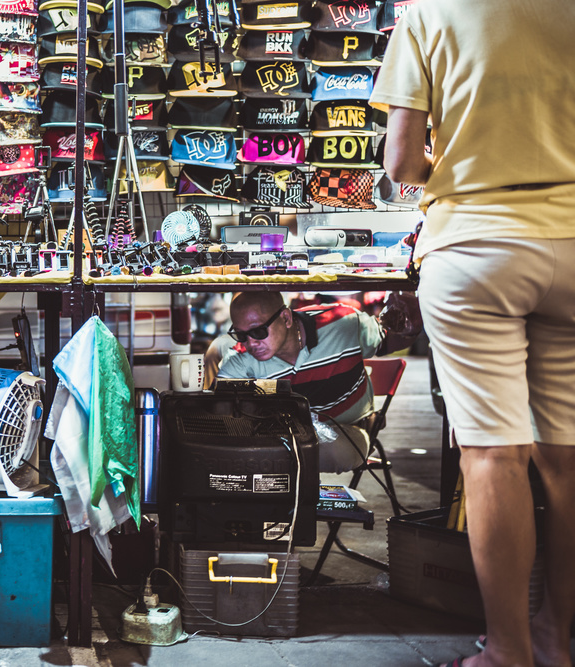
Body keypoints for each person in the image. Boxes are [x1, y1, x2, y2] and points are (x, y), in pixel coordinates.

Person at [371, 2, 575, 666]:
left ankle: (508, 650)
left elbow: (401, 159)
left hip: (476, 244)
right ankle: (556, 634)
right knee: (568, 460)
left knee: (493, 456)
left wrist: (460, 173)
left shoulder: (433, 11)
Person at [207, 292, 419, 473]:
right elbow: (223, 415)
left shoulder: (343, 323)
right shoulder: (240, 358)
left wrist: (416, 317)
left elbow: (393, 338)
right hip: (280, 436)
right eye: (241, 335)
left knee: (319, 454)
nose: (251, 343)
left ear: (286, 318)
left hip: (346, 430)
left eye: (258, 331)